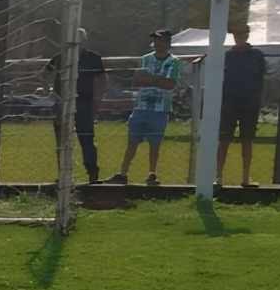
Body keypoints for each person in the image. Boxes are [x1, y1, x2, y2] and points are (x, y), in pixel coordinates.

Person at [112, 29, 181, 185]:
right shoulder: (145, 59)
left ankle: (152, 173)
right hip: (141, 106)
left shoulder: (174, 62)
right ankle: (123, 173)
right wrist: (157, 80)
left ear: (168, 43)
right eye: (155, 41)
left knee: (155, 143)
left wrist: (149, 79)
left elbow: (170, 84)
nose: (157, 44)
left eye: (161, 41)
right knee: (132, 141)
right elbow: (137, 81)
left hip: (160, 108)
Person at [45, 26, 105, 184]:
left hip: (84, 104)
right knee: (62, 141)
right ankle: (64, 175)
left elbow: (101, 81)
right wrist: (52, 92)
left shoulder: (93, 58)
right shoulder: (59, 58)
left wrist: (97, 102)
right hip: (62, 105)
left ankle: (92, 174)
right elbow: (45, 73)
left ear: (83, 41)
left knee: (86, 140)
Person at [218, 27, 267, 189]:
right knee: (224, 139)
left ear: (247, 35)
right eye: (237, 34)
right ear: (234, 36)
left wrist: (257, 97)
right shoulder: (227, 56)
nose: (239, 37)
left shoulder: (257, 55)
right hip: (229, 102)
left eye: (242, 34)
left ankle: (246, 177)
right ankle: (218, 177)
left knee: (247, 140)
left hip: (249, 103)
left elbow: (261, 78)